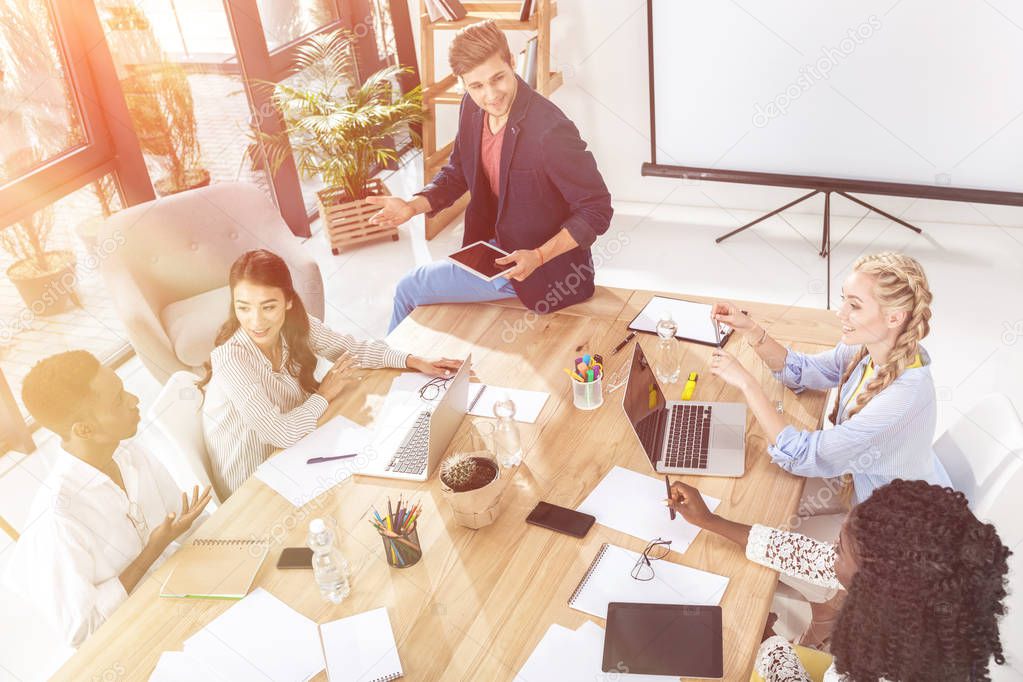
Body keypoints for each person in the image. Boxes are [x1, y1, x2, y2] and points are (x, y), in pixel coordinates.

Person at [368, 20, 613, 332]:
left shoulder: (549, 130)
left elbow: (596, 208)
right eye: (476, 86)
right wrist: (412, 206)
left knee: (409, 287)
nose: (490, 95)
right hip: (491, 249)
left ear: (512, 62)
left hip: (539, 271)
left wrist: (537, 256)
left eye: (498, 78)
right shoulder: (471, 108)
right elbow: (458, 172)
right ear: (463, 84)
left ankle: (392, 374)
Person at [667, 479, 1011, 681]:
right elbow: (801, 553)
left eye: (840, 548)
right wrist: (711, 521)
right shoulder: (918, 611)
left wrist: (769, 644)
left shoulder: (879, 669)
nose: (830, 549)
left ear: (875, 588)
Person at [198, 249, 461, 499]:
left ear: (288, 301)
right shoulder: (231, 357)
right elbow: (281, 433)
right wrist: (323, 395)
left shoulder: (296, 325)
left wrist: (413, 360)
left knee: (386, 463)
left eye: (268, 307)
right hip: (252, 484)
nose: (255, 321)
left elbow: (351, 350)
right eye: (243, 307)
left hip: (295, 453)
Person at [708, 252, 950, 508]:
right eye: (844, 300)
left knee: (755, 497)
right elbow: (806, 370)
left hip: (889, 521)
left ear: (894, 317)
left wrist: (748, 385)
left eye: (855, 306)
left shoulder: (899, 402)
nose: (840, 313)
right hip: (860, 477)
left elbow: (800, 456)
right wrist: (749, 328)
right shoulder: (875, 347)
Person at [3, 351, 211, 647]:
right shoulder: (60, 518)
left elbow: (184, 521)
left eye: (123, 389)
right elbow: (83, 631)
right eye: (117, 401)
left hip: (183, 592)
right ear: (84, 429)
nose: (134, 400)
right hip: (135, 639)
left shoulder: (127, 452)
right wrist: (153, 549)